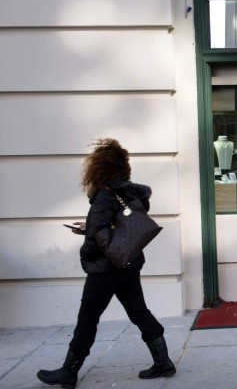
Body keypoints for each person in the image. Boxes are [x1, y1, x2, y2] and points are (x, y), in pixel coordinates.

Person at [37, 138, 176, 388]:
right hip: (128, 262)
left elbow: (100, 234)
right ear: (124, 167)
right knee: (139, 312)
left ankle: (68, 372)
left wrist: (88, 251)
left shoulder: (104, 195)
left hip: (106, 268)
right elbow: (118, 227)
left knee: (87, 319)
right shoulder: (130, 191)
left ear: (98, 169)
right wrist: (89, 227)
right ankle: (163, 362)